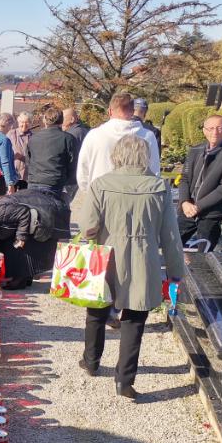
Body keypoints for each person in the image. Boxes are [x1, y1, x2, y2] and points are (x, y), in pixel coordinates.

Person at [79, 135, 185, 400]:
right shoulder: (159, 186)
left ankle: (91, 362)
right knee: (135, 319)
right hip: (143, 257)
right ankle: (124, 381)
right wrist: (175, 271)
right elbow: (170, 236)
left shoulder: (101, 185)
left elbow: (87, 227)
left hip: (107, 255)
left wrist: (94, 236)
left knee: (97, 310)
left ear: (117, 155)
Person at [177, 114, 222, 251]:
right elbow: (184, 179)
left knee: (206, 254)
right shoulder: (195, 150)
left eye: (220, 128)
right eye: (211, 128)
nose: (215, 132)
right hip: (188, 208)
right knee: (171, 245)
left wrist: (199, 206)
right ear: (204, 130)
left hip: (212, 212)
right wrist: (184, 202)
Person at [76, 93, 160, 193]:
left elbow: (83, 171)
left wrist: (89, 192)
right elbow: (154, 171)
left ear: (109, 111)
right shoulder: (147, 136)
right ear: (133, 111)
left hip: (100, 194)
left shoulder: (94, 135)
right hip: (135, 195)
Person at [26, 107, 76, 194]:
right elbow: (72, 163)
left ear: (45, 119)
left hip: (34, 181)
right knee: (52, 207)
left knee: (34, 207)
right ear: (62, 120)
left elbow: (28, 161)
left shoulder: (33, 138)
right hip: (54, 182)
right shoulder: (67, 139)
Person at [62, 107, 91, 202]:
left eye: (63, 118)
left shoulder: (72, 134)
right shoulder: (84, 131)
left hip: (70, 178)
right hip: (78, 176)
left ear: (72, 119)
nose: (61, 121)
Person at [7, 111, 33, 182]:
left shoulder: (33, 136)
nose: (24, 124)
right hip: (13, 172)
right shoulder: (11, 134)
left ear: (30, 123)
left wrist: (23, 157)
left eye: (27, 122)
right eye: (22, 122)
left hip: (28, 175)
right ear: (18, 122)